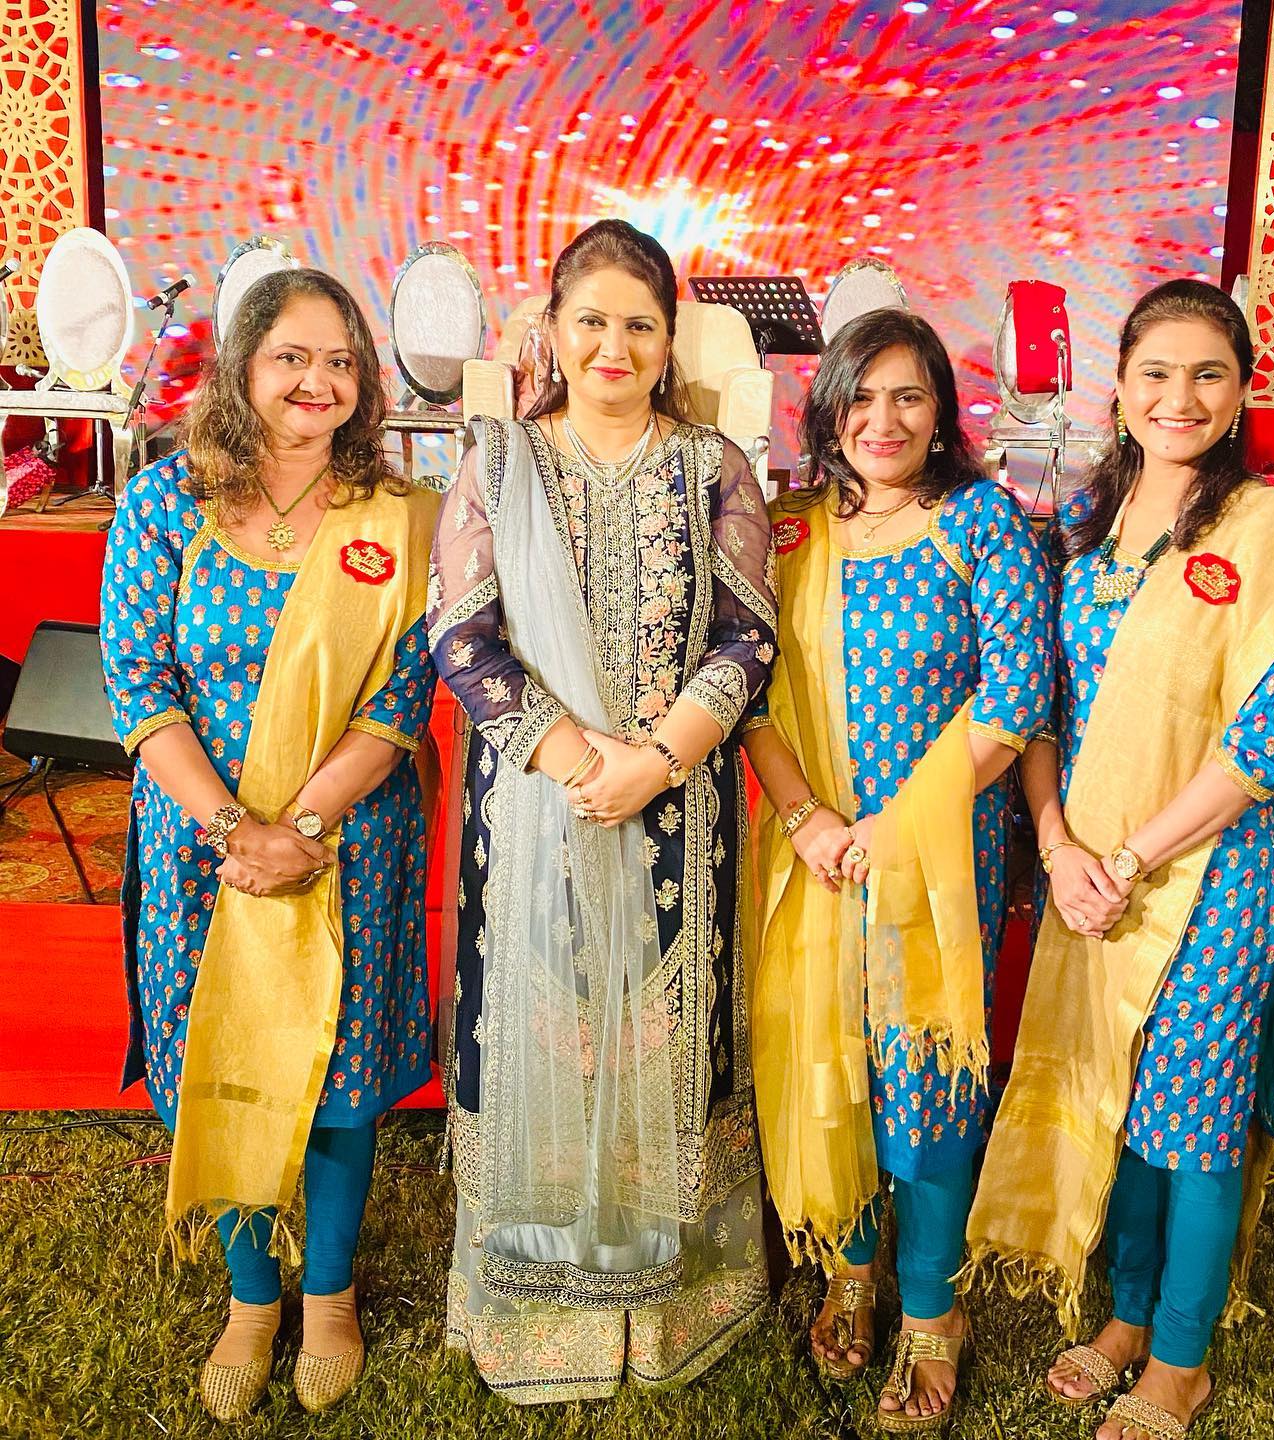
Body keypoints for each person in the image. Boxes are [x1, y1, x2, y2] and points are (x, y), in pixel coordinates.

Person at [964, 279, 1274, 1440]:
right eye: (1156, 372)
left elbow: (1260, 748)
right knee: (1121, 1100)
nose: (1179, 397)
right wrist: (1059, 849)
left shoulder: (1270, 536)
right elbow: (1037, 708)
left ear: (1242, 392)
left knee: (1193, 1125)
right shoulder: (1086, 526)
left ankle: (1181, 1359)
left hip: (1208, 882)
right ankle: (1130, 1315)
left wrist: (1128, 859)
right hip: (1086, 872)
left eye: (1208, 375)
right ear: (1121, 386)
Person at [429, 219, 777, 1403]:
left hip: (680, 812)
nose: (613, 345)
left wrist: (660, 760)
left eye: (639, 323)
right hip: (534, 806)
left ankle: (670, 1306)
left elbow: (748, 636)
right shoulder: (499, 462)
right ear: (553, 328)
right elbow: (461, 635)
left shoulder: (714, 468)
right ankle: (541, 1315)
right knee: (540, 1027)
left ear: (670, 338)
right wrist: (580, 757)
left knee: (666, 1034)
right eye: (592, 320)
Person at [99, 268, 438, 1420]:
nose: (317, 381)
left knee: (341, 1071)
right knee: (221, 1053)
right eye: (293, 355)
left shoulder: (396, 516)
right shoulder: (167, 502)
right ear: (242, 363)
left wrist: (301, 829)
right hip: (201, 844)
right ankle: (252, 1298)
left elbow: (400, 696)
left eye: (341, 361)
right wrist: (231, 827)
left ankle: (329, 1294)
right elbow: (137, 680)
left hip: (351, 840)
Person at [743, 309, 1056, 1432]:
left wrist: (892, 830)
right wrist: (809, 821)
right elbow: (749, 691)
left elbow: (1015, 698)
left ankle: (931, 1308)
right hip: (815, 856)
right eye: (861, 397)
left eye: (909, 396)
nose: (883, 420)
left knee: (923, 1092)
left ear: (942, 413)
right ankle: (850, 1268)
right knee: (830, 1064)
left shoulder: (982, 522)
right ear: (826, 409)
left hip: (935, 858)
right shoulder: (788, 531)